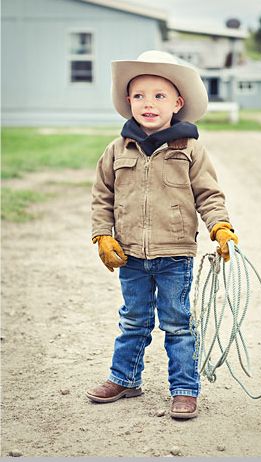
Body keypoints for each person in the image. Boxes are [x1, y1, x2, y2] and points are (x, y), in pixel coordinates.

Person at [86, 50, 238, 419]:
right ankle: (125, 378)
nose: (148, 104)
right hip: (130, 255)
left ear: (177, 103)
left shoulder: (190, 149)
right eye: (139, 95)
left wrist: (220, 226)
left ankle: (184, 389)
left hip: (175, 255)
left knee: (177, 323)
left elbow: (208, 194)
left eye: (159, 96)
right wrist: (101, 235)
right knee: (133, 320)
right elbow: (102, 197)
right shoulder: (117, 149)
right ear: (128, 102)